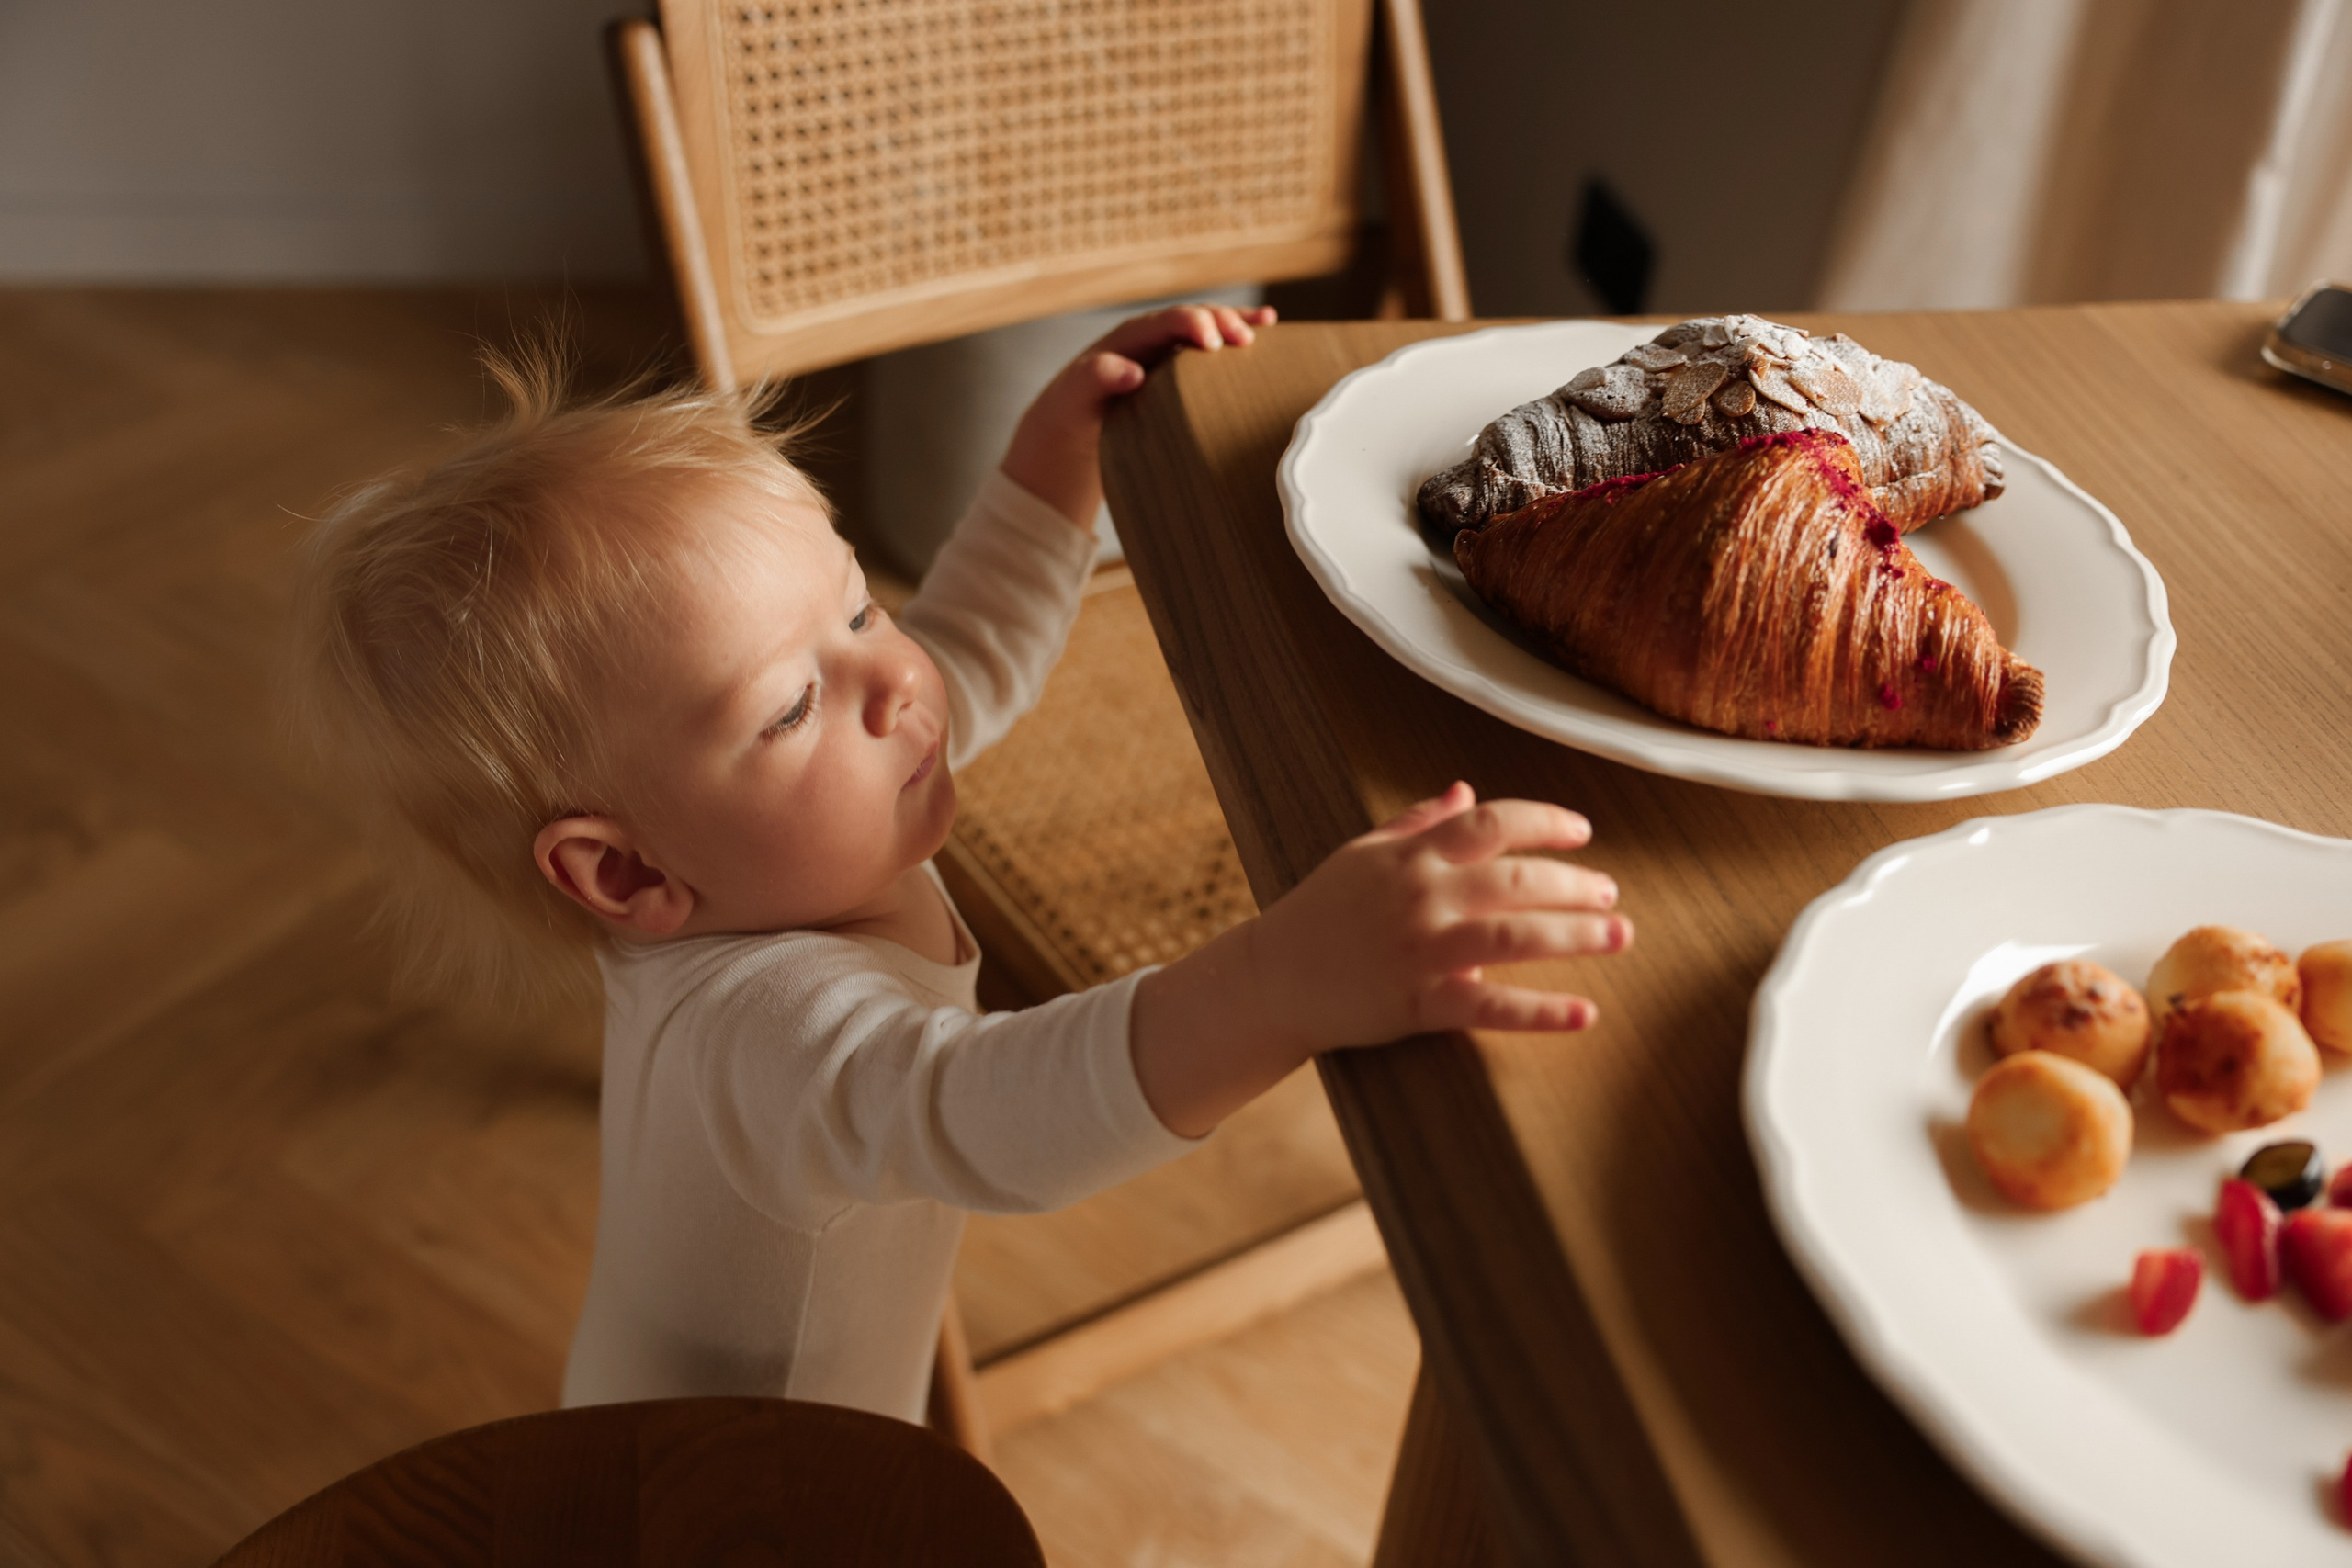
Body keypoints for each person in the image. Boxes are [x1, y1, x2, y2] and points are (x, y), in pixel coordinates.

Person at [292, 302, 1631, 1424]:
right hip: (747, 1487)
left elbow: (968, 655)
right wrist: (1289, 980)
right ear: (632, 880)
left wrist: (1053, 468)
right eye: (789, 705)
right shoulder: (764, 1034)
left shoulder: (794, 827)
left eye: (858, 601)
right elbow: (994, 1111)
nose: (891, 679)